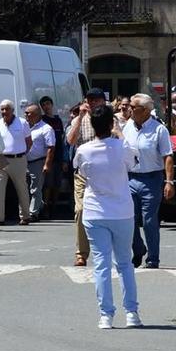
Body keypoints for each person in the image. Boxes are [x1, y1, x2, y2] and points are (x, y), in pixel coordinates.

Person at [75, 103, 140, 328]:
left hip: (95, 211)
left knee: (101, 264)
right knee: (124, 262)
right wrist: (120, 133)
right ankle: (131, 313)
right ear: (111, 124)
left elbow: (81, 171)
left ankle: (106, 315)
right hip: (121, 211)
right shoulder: (122, 147)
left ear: (92, 126)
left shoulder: (84, 150)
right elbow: (133, 162)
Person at [121, 93, 175, 270]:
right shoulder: (126, 127)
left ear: (144, 111)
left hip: (151, 179)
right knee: (129, 219)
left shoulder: (159, 129)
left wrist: (169, 182)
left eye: (133, 107)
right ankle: (138, 249)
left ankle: (153, 258)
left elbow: (167, 156)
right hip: (130, 178)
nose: (129, 109)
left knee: (149, 220)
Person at [65, 93, 100, 266]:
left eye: (96, 100)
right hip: (82, 172)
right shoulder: (80, 119)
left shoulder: (110, 119)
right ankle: (81, 254)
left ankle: (107, 251)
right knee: (80, 209)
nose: (92, 103)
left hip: (102, 172)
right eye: (89, 100)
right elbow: (70, 141)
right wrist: (79, 118)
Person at [0, 99, 33, 225]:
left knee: (22, 187)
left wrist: (23, 154)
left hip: (18, 158)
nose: (4, 111)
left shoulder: (22, 123)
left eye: (7, 108)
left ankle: (25, 216)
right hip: (1, 158)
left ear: (12, 110)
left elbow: (29, 141)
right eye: (2, 109)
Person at [22, 102, 56, 223]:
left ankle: (33, 213)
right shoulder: (24, 127)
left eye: (28, 113)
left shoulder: (46, 129)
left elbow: (51, 147)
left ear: (36, 114)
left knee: (35, 188)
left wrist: (47, 164)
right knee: (24, 189)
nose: (25, 115)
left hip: (38, 162)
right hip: (24, 161)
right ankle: (26, 212)